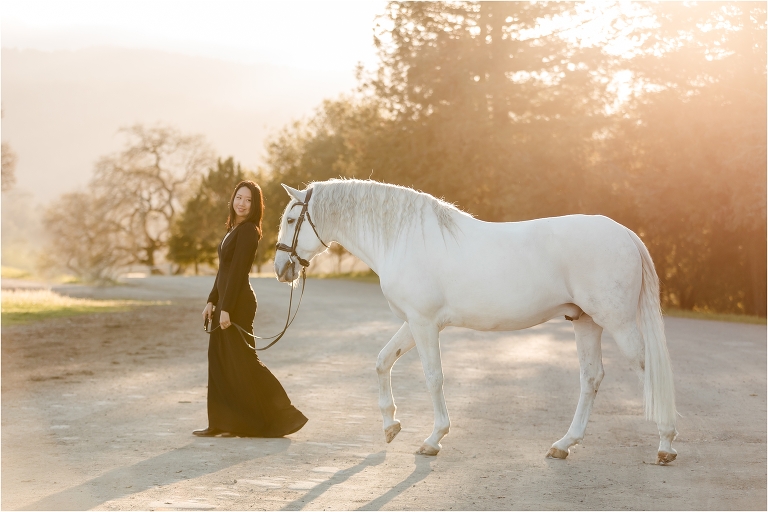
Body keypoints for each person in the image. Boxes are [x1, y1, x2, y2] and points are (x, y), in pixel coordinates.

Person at [194, 180, 308, 438]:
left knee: (243, 361)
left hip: (238, 304)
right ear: (232, 199)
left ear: (255, 206)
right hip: (225, 302)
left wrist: (227, 308)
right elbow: (223, 270)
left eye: (249, 200)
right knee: (220, 361)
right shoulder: (233, 229)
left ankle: (285, 416)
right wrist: (211, 300)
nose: (242, 203)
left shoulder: (248, 231)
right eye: (239, 198)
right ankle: (220, 423)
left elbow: (237, 273)